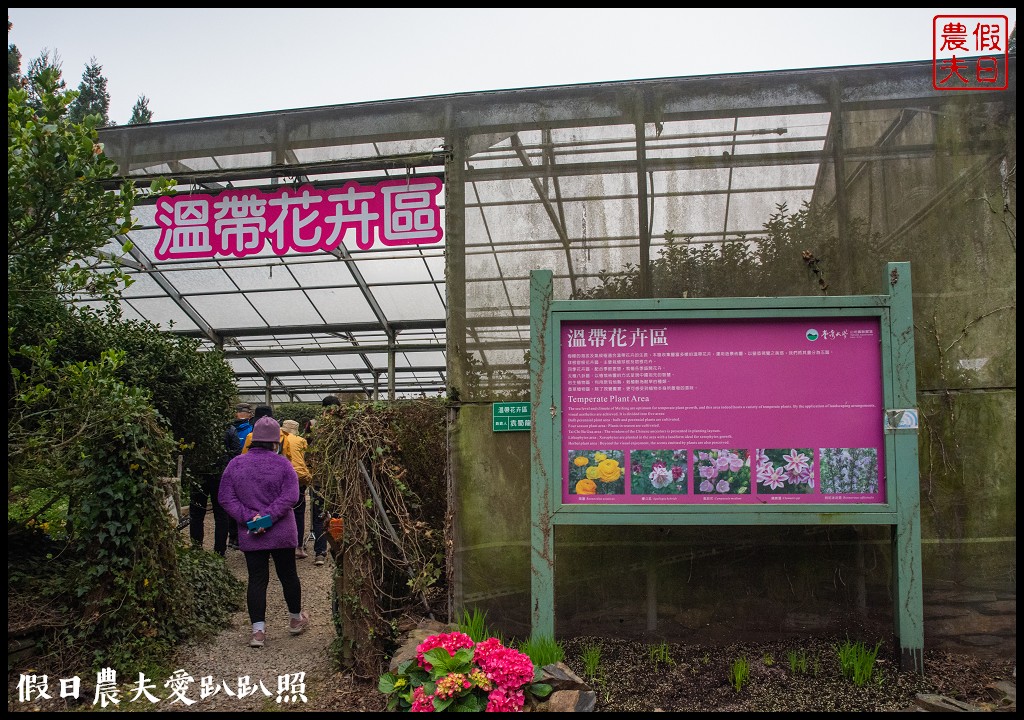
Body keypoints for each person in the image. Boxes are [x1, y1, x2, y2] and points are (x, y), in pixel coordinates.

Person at [219, 415, 309, 648]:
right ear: (276, 441)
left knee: (257, 580)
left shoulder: (235, 464)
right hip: (281, 532)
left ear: (252, 439)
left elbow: (225, 498)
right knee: (288, 575)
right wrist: (268, 518)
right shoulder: (283, 464)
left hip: (251, 533)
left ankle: (258, 632)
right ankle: (295, 620)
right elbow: (291, 496)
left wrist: (250, 518)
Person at [190, 402, 251, 555]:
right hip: (220, 476)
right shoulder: (229, 429)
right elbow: (236, 452)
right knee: (221, 514)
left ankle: (196, 548)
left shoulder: (197, 429)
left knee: (196, 513)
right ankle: (219, 551)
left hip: (199, 475)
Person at [304, 395, 341, 566]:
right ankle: (338, 549)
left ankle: (321, 552)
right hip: (336, 479)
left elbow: (306, 449)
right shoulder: (344, 424)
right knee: (337, 515)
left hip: (320, 478)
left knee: (319, 515)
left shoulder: (312, 425)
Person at [280, 419, 313, 559]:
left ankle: (281, 544)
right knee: (299, 512)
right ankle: (298, 546)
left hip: (281, 478)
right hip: (299, 478)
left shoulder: (277, 438)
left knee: (281, 511)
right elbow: (306, 458)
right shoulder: (301, 440)